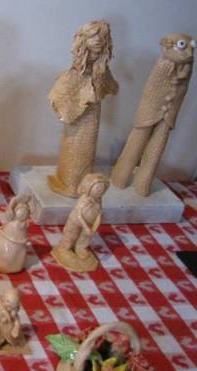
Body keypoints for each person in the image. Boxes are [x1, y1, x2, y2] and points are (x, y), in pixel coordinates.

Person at [111, 33, 195, 197]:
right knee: (136, 143)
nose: (189, 54)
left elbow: (181, 91)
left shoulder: (188, 68)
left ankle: (143, 183)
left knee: (156, 150)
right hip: (149, 111)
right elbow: (153, 89)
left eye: (192, 48)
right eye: (182, 47)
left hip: (169, 114)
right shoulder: (163, 65)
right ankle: (120, 177)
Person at [47, 20, 118, 198]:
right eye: (93, 36)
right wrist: (64, 110)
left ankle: (79, 184)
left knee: (86, 148)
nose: (98, 40)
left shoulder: (101, 68)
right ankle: (69, 183)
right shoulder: (76, 70)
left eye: (101, 36)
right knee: (73, 146)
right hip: (77, 117)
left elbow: (109, 85)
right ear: (83, 40)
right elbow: (61, 91)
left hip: (93, 114)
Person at [51, 173, 109, 272]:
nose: (100, 190)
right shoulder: (84, 200)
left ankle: (80, 248)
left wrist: (94, 227)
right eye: (97, 188)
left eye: (102, 188)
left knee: (85, 238)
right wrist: (86, 227)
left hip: (89, 223)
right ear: (89, 188)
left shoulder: (98, 200)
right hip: (76, 222)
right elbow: (79, 215)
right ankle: (65, 248)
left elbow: (99, 214)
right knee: (71, 235)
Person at [0, 194, 31, 274]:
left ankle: (1, 264)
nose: (22, 215)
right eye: (21, 213)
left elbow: (7, 233)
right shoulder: (20, 225)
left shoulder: (18, 225)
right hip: (13, 246)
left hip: (11, 246)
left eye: (24, 214)